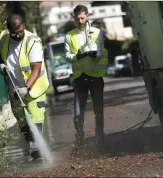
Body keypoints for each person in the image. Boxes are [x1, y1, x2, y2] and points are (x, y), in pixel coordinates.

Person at [0, 13, 50, 161]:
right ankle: (31, 145)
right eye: (14, 32)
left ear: (23, 25)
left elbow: (36, 68)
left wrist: (26, 87)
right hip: (14, 87)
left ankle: (37, 152)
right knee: (21, 120)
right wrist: (1, 64)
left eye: (20, 30)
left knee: (35, 119)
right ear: (9, 30)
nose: (18, 35)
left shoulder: (32, 41)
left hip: (35, 88)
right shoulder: (3, 38)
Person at [64, 4, 108, 149]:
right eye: (77, 19)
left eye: (82, 18)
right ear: (74, 18)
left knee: (98, 110)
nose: (80, 21)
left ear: (87, 16)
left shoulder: (97, 32)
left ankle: (100, 137)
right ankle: (80, 136)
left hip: (95, 76)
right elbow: (67, 56)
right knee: (78, 112)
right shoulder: (69, 35)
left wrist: (95, 54)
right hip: (79, 78)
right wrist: (77, 56)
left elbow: (101, 51)